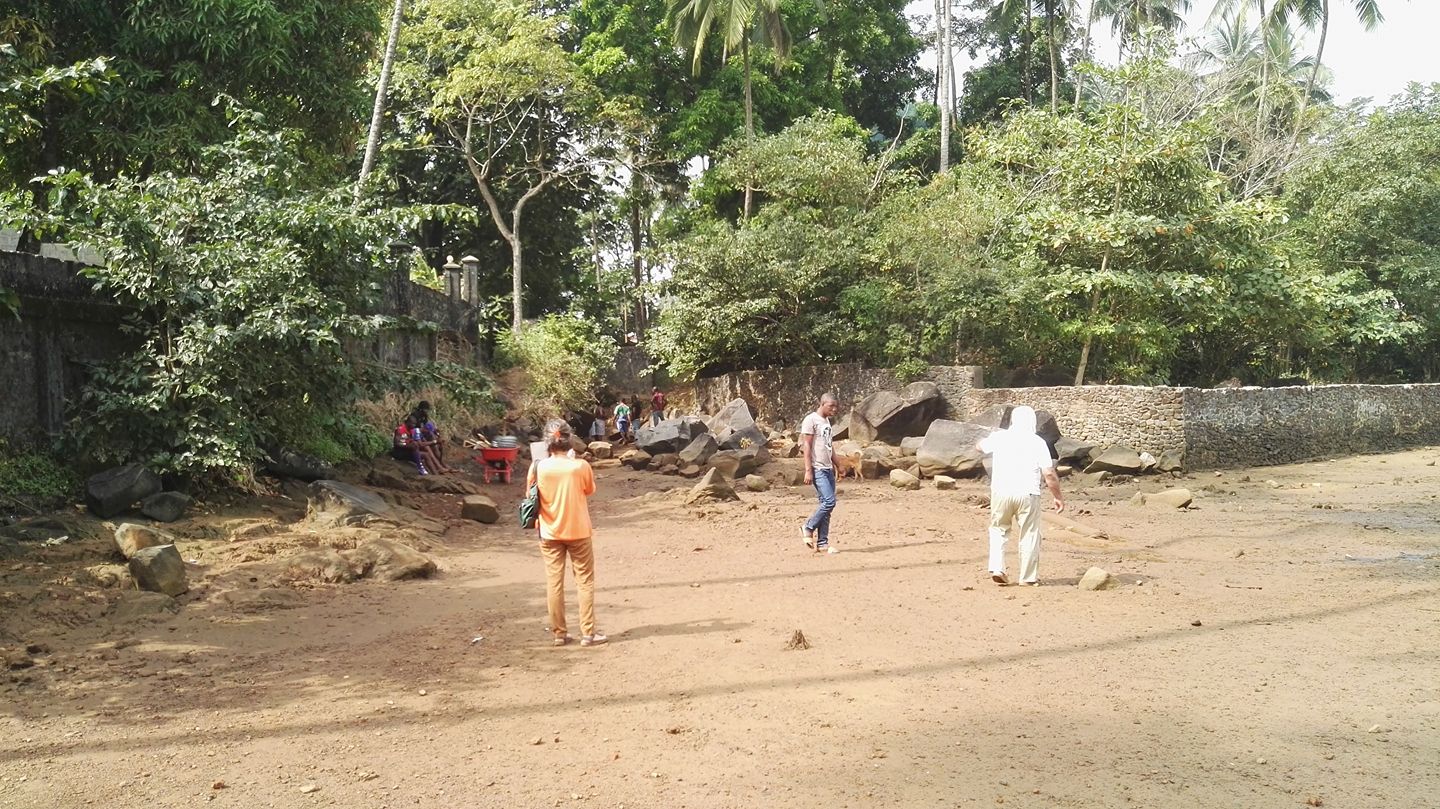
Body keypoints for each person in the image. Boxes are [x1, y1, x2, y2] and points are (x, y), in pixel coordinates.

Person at [526, 419, 606, 647]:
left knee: (554, 583)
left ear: (547, 442)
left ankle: (559, 634)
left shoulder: (537, 467)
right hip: (579, 530)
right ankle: (588, 633)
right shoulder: (580, 466)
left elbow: (530, 496)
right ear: (569, 440)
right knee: (585, 581)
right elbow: (589, 490)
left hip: (549, 532)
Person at [976, 405, 1064, 586]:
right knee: (1030, 534)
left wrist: (987, 439)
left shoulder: (1000, 437)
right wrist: (1058, 497)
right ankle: (1028, 577)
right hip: (1028, 493)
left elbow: (979, 447)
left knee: (998, 529)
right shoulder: (1037, 442)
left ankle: (997, 568)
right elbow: (1049, 474)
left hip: (1001, 491)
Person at [799, 393, 840, 555]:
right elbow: (807, 446)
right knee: (830, 502)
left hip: (828, 468)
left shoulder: (826, 421)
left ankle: (823, 543)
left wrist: (838, 464)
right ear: (822, 404)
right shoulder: (811, 420)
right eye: (831, 406)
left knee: (826, 506)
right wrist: (808, 470)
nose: (834, 409)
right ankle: (808, 526)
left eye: (836, 406)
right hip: (817, 468)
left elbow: (829, 445)